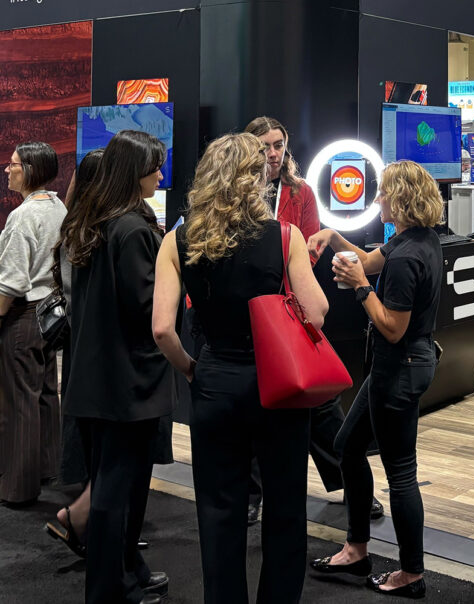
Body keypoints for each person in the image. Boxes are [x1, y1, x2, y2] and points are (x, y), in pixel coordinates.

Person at [153, 132, 328, 603]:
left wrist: (192, 369)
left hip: (214, 381)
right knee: (285, 508)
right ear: (255, 179)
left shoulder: (176, 241)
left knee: (218, 512)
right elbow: (317, 313)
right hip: (278, 385)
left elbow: (162, 330)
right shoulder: (285, 237)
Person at [307, 160, 442, 599]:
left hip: (400, 368)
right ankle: (356, 548)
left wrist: (360, 287)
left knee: (401, 474)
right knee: (347, 446)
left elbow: (392, 327)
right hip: (397, 366)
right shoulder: (416, 239)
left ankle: (411, 574)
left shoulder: (406, 258)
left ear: (399, 199)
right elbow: (367, 260)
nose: (378, 198)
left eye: (383, 192)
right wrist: (333, 237)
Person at [243, 116, 383, 524]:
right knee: (254, 402)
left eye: (278, 144)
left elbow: (310, 247)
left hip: (293, 304)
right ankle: (251, 494)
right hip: (251, 307)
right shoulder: (237, 191)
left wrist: (283, 261)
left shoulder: (299, 191)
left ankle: (352, 484)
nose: (273, 153)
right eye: (265, 145)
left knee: (320, 401)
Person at [60, 130, 173, 604]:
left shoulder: (94, 221)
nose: (161, 175)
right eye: (155, 167)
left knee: (116, 486)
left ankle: (126, 573)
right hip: (129, 381)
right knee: (116, 490)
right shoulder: (132, 230)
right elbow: (147, 308)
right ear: (135, 171)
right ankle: (112, 587)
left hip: (99, 376)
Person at [0, 141, 66, 506]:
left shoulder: (23, 216)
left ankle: (18, 488)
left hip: (23, 315)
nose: (7, 170)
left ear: (29, 170)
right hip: (50, 313)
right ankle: (46, 469)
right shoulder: (58, 206)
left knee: (19, 400)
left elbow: (11, 282)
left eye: (12, 165)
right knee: (44, 394)